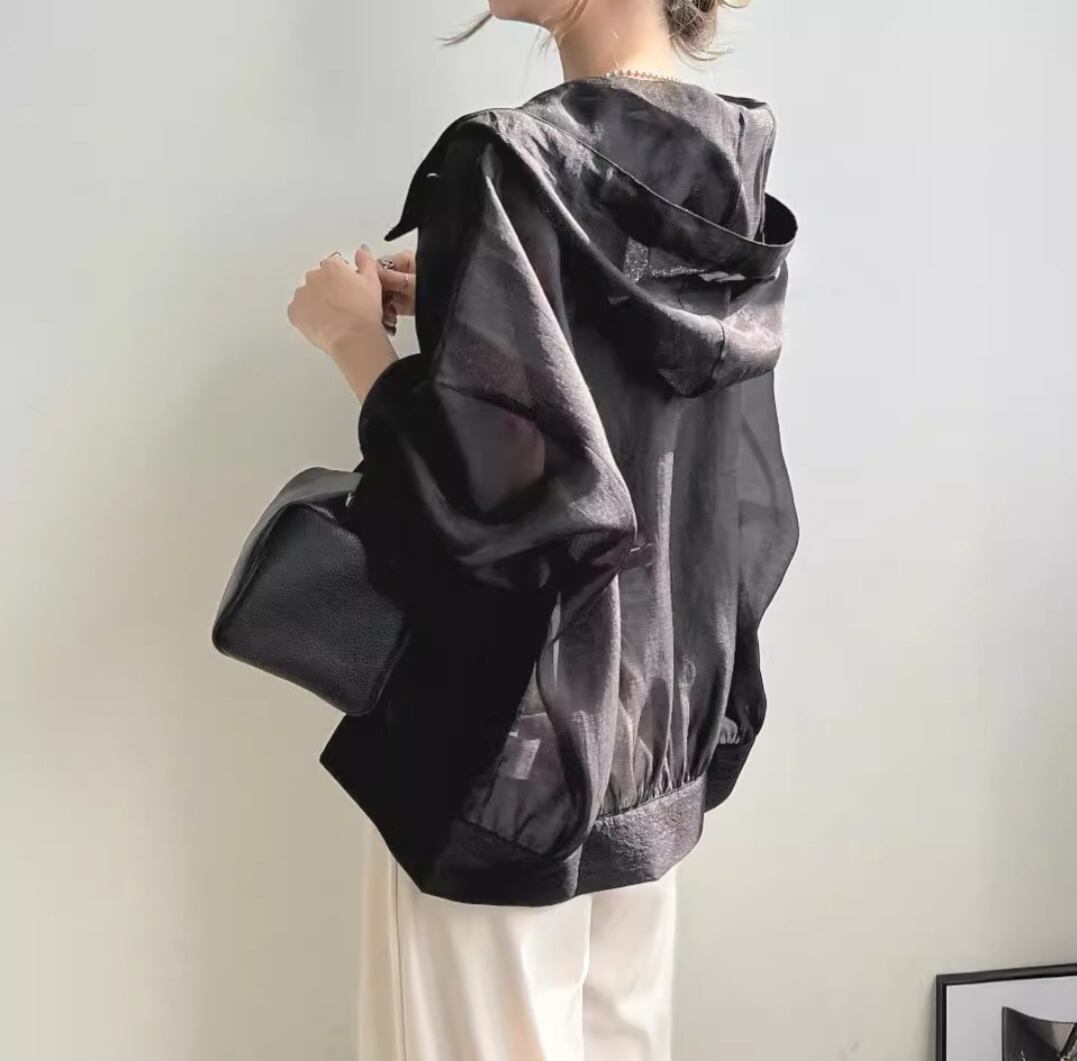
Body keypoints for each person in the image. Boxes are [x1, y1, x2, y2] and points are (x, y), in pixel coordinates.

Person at [284, 1, 798, 1057]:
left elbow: (490, 503)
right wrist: (471, 308)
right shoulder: (726, 165)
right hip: (648, 730)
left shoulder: (509, 160)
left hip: (498, 745)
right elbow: (640, 422)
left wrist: (352, 343)